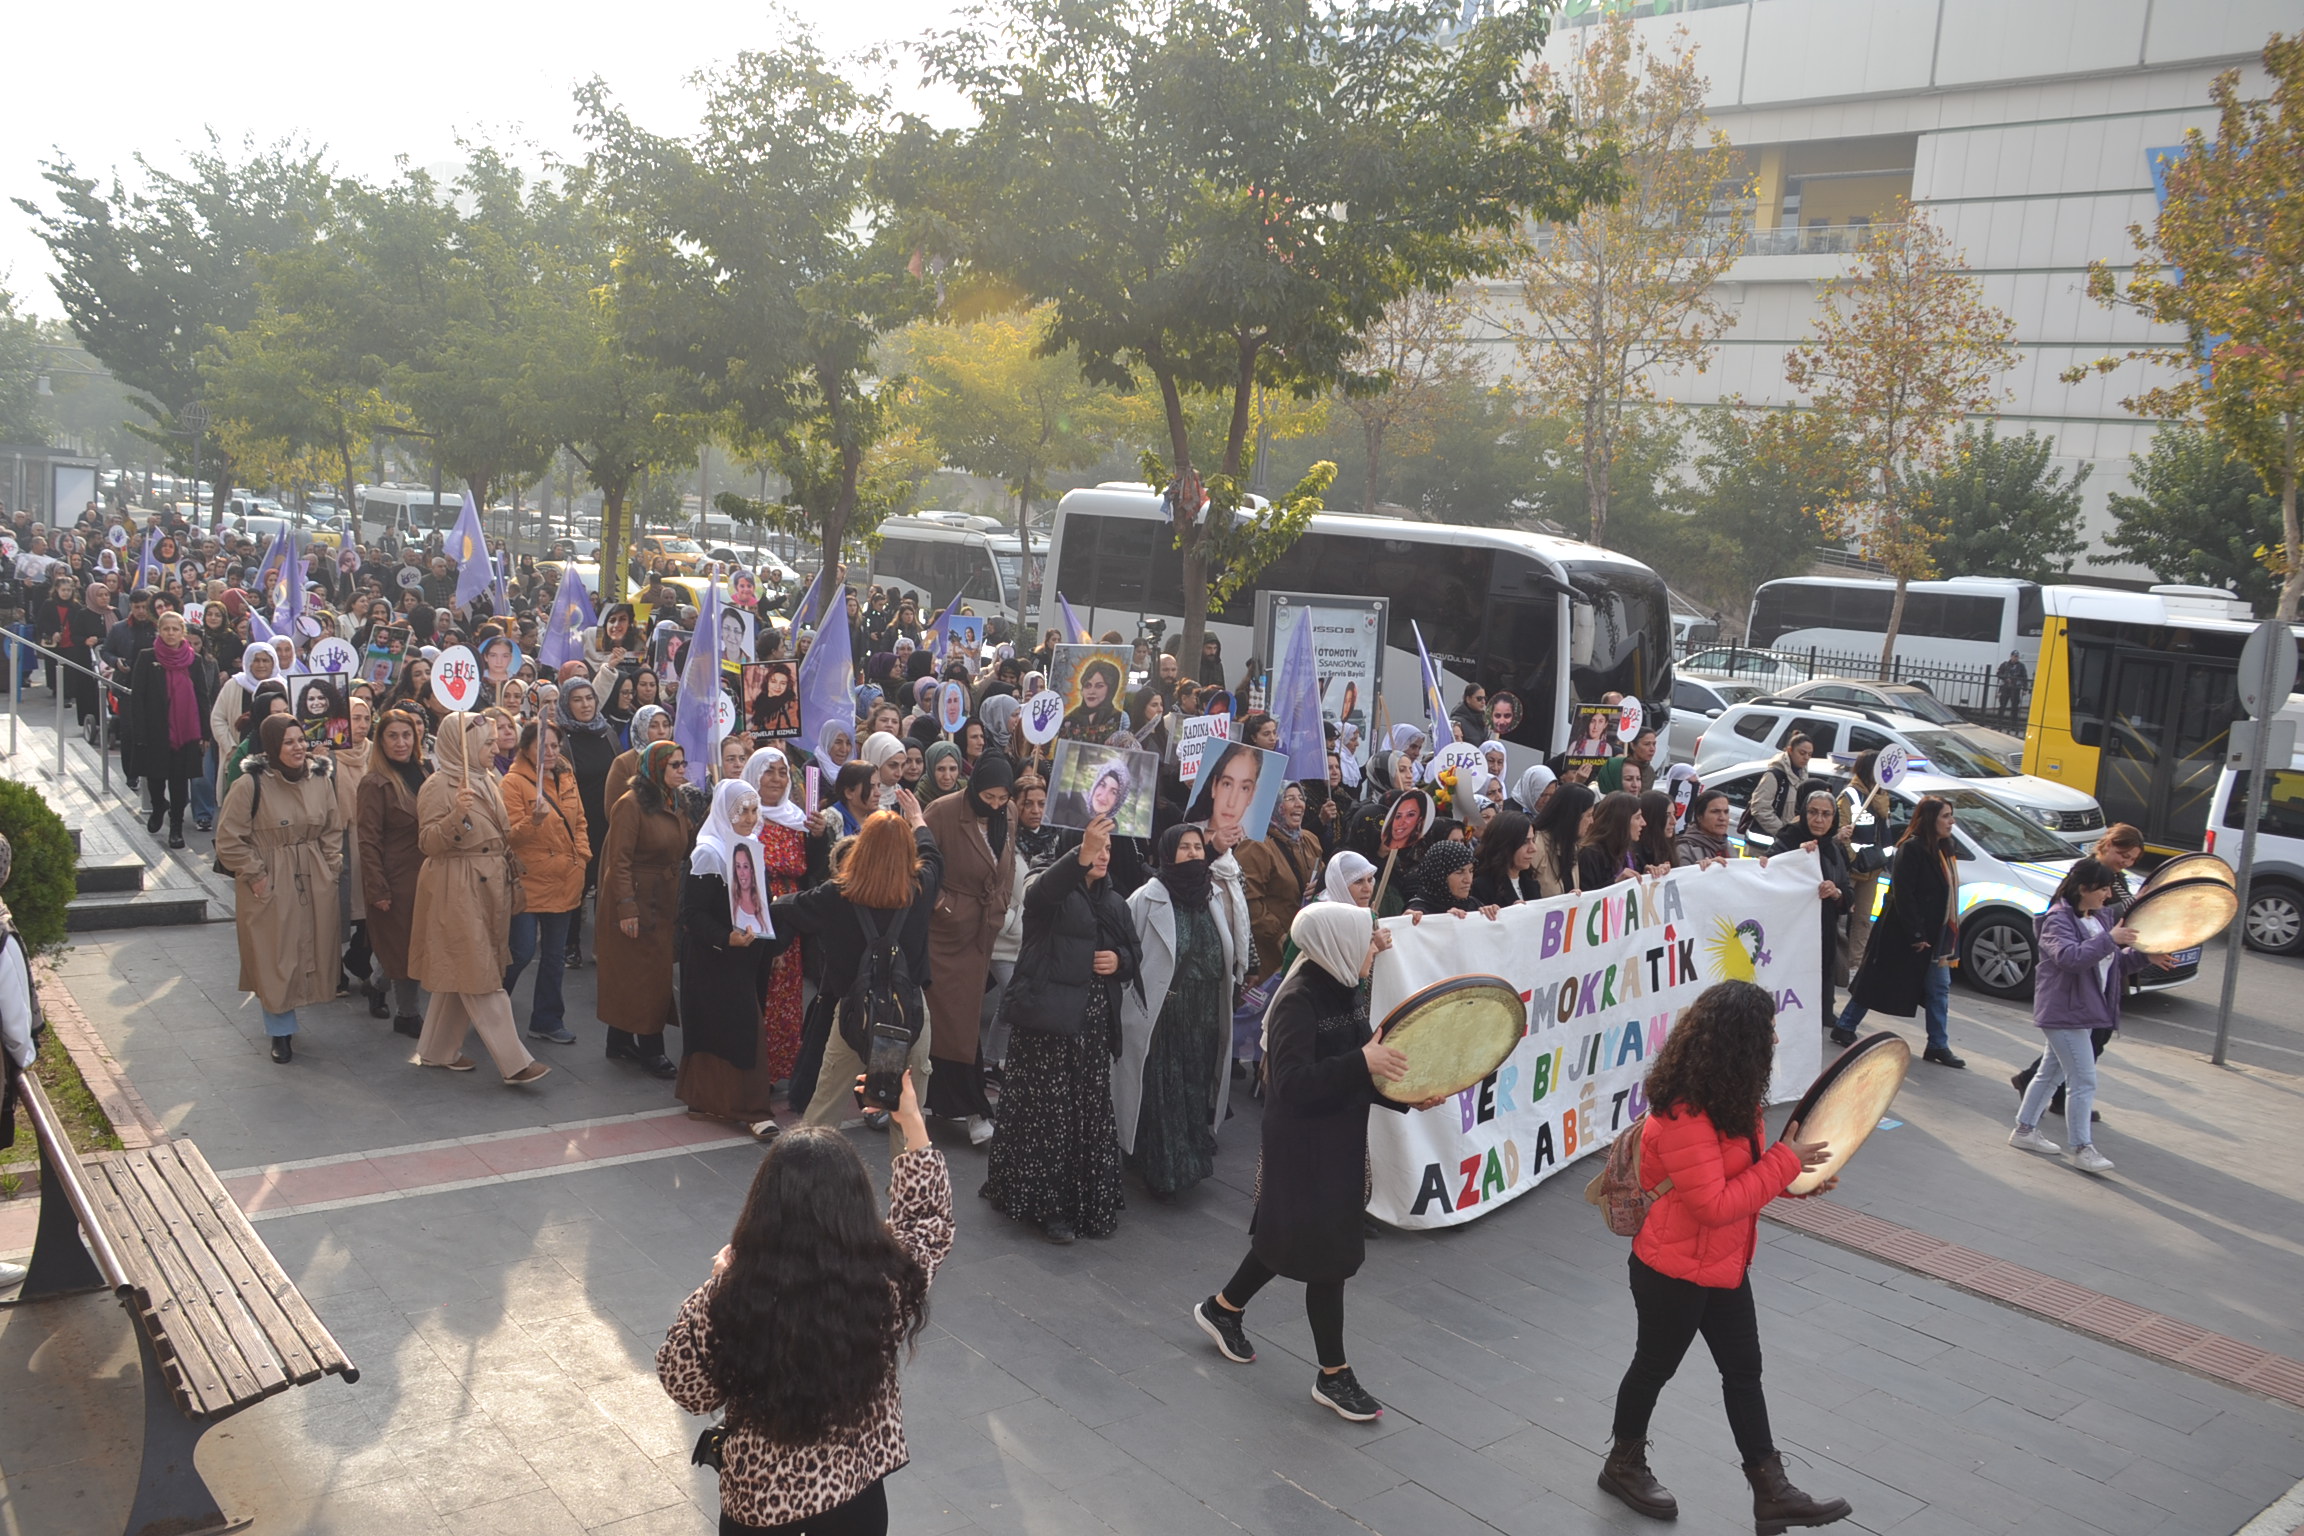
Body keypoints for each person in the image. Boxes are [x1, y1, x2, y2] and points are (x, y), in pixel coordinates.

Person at [1597, 979, 1852, 1532]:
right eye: (1768, 1030)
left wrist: (1797, 1179)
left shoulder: (1734, 1099)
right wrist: (1785, 1164)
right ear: (1740, 1040)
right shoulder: (1685, 1113)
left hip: (1724, 1265)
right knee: (1654, 1366)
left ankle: (1771, 1490)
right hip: (1671, 1269)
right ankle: (1622, 1464)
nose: (1776, 1038)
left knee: (1744, 1372)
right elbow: (1713, 1204)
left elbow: (1746, 1174)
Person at [656, 1069, 952, 1536]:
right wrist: (909, 1117)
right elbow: (927, 1221)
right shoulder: (881, 1283)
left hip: (761, 1503)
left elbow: (687, 1390)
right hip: (856, 1496)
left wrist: (716, 1283)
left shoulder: (729, 1298)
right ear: (854, 1206)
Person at [1190, 904, 1446, 1422]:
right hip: (1303, 1147)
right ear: (1337, 942)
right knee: (1328, 1259)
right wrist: (1362, 1062)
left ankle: (1222, 1309)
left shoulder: (1345, 988)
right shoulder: (1297, 1000)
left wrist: (1406, 1096)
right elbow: (1290, 1084)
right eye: (1365, 937)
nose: (1373, 946)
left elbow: (1362, 1066)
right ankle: (1334, 1375)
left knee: (1286, 1236)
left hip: (1338, 1140)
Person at [982, 814, 1137, 1243]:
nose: (1102, 855)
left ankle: (1082, 1199)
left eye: (1108, 848)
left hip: (1091, 1025)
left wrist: (1119, 962)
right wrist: (1079, 854)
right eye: (1094, 846)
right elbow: (1042, 895)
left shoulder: (1114, 900)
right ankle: (1045, 1207)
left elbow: (1132, 951)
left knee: (1084, 1112)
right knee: (1047, 1114)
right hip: (1048, 1021)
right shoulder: (1044, 885)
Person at [767, 796, 943, 1156]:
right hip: (909, 1015)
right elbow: (934, 857)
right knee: (908, 1118)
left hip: (852, 1014)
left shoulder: (837, 895)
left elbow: (787, 907)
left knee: (825, 1107)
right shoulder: (922, 889)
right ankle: (906, 1200)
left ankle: (805, 1183)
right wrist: (917, 819)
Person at [411, 714, 549, 1086]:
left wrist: (531, 823)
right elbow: (427, 843)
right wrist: (456, 816)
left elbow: (499, 837)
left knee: (465, 968)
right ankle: (515, 1062)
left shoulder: (487, 779)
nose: (495, 748)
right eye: (487, 743)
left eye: (493, 742)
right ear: (466, 746)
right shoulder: (439, 786)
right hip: (455, 886)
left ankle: (437, 1050)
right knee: (481, 972)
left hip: (489, 885)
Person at [2010, 858, 2170, 1174]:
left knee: (2051, 1072)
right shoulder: (2058, 920)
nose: (2108, 895)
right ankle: (2082, 1148)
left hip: (2078, 1011)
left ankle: (2025, 1131)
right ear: (2084, 889)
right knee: (2083, 1080)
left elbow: (2113, 966)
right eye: (2103, 888)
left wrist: (2145, 957)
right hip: (2063, 1011)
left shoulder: (2096, 919)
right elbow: (2070, 958)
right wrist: (2111, 939)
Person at [1116, 826, 1241, 1200]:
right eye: (1183, 848)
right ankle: (1164, 1170)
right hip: (1163, 1014)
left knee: (1194, 1086)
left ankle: (1192, 1157)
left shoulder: (1213, 895)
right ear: (1167, 854)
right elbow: (1128, 954)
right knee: (1163, 1090)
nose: (1192, 853)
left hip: (1204, 1013)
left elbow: (1233, 942)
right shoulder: (1144, 899)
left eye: (1197, 847)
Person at [214, 715, 343, 1063]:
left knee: (309, 950)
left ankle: (295, 1015)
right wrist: (256, 875)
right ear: (272, 747)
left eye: (301, 739)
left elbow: (333, 827)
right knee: (274, 955)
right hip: (270, 878)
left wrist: (331, 867)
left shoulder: (320, 778)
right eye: (288, 742)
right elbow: (228, 839)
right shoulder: (249, 785)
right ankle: (280, 1031)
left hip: (313, 875)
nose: (298, 747)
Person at [2011, 822, 2145, 1121]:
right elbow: (2065, 943)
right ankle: (2075, 1135)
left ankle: (2031, 1120)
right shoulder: (2087, 878)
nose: (2127, 862)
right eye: (2123, 854)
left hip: (2102, 970)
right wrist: (2110, 938)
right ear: (2107, 844)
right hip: (2080, 983)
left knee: (2066, 1058)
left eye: (2133, 858)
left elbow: (2120, 918)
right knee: (2081, 1065)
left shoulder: (2116, 879)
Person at [921, 755, 1018, 1143]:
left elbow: (1006, 863)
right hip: (942, 935)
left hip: (983, 929)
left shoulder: (1007, 812)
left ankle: (947, 1101)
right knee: (947, 1021)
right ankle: (969, 1105)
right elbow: (919, 863)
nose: (993, 803)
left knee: (963, 1018)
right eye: (988, 795)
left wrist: (1002, 902)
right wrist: (945, 905)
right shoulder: (942, 811)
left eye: (1001, 796)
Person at [678, 780, 780, 1139]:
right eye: (743, 811)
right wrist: (725, 938)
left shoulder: (750, 847)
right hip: (713, 957)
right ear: (725, 812)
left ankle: (708, 1098)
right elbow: (691, 913)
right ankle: (753, 1110)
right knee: (741, 1027)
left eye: (754, 810)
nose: (750, 818)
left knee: (731, 1026)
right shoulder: (708, 852)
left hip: (746, 954)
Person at [1832, 796, 1964, 1066]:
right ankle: (1844, 1025)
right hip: (1902, 933)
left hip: (1936, 936)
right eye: (1945, 816)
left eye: (1951, 816)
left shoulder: (1946, 849)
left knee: (1940, 988)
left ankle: (1937, 1044)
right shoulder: (1912, 849)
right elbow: (1904, 895)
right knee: (1875, 981)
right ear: (1930, 819)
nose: (1951, 821)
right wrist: (1916, 934)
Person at [596, 739, 695, 1079]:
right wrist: (626, 908)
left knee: (641, 974)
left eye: (684, 764)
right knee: (646, 976)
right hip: (638, 898)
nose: (683, 770)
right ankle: (652, 1049)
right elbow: (617, 861)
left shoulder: (676, 800)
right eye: (675, 765)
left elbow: (687, 845)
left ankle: (619, 1040)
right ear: (656, 768)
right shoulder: (631, 804)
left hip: (663, 899)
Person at [740, 746, 822, 1089]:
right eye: (768, 771)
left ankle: (781, 1065)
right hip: (751, 914)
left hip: (790, 918)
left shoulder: (800, 820)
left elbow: (813, 871)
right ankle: (755, 1066)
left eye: (783, 772)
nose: (776, 779)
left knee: (785, 995)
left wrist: (819, 837)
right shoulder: (744, 817)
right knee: (757, 992)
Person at [502, 719, 588, 1045]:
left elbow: (579, 820)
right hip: (529, 880)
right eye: (543, 746)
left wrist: (582, 855)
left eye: (555, 745)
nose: (550, 752)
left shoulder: (566, 776)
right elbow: (508, 836)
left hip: (564, 876)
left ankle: (547, 1020)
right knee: (521, 952)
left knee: (554, 955)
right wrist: (531, 821)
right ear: (526, 749)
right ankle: (491, 1006)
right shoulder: (512, 784)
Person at [359, 708, 430, 1037]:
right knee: (403, 947)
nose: (401, 742)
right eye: (392, 736)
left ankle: (376, 982)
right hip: (396, 878)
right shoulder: (374, 783)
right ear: (380, 740)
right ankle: (407, 1014)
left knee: (410, 945)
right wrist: (378, 889)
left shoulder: (425, 770)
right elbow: (368, 841)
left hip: (428, 874)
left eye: (407, 735)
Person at [127, 610, 217, 849]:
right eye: (166, 629)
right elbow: (138, 698)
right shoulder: (147, 658)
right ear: (159, 631)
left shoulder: (194, 660)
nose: (170, 633)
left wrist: (205, 733)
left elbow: (202, 697)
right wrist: (140, 733)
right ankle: (159, 806)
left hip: (186, 732)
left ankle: (176, 828)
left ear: (182, 633)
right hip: (156, 729)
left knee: (179, 782)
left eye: (175, 629)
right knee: (156, 778)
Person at [555, 678, 618, 971]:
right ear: (567, 704)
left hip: (608, 822)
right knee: (577, 886)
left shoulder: (607, 734)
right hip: (577, 824)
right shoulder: (562, 739)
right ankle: (570, 945)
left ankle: (602, 945)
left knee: (606, 886)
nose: (585, 705)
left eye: (589, 698)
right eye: (577, 700)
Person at [1234, 784, 1322, 985]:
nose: (1299, 803)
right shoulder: (1256, 845)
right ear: (1273, 805)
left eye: (1301, 797)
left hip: (1302, 942)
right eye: (1289, 798)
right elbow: (1248, 900)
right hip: (1270, 949)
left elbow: (1323, 876)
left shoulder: (1309, 840)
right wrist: (1279, 936)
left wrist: (1320, 884)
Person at [1777, 788, 1853, 1018]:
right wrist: (1796, 860)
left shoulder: (1833, 848)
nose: (1819, 820)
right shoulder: (1787, 840)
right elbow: (1770, 877)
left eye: (1826, 814)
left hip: (1823, 935)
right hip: (1790, 938)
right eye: (1812, 812)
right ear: (1803, 813)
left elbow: (1848, 891)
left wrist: (1836, 892)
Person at [1577, 792, 1660, 891]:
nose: (1644, 823)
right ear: (1622, 821)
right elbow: (1586, 898)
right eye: (1638, 817)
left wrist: (1647, 874)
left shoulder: (1628, 851)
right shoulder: (1590, 854)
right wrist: (1616, 883)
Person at [1745, 734, 1813, 842]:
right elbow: (1760, 807)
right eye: (1802, 753)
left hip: (1785, 843)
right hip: (1765, 843)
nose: (1806, 758)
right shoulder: (1774, 775)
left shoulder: (1803, 776)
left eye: (1809, 754)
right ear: (1790, 750)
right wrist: (1783, 832)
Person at [1470, 810, 1544, 906]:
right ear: (1505, 844)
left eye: (1533, 840)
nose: (1533, 848)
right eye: (1525, 842)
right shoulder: (1481, 887)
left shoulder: (1531, 883)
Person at [1059, 657, 1126, 743]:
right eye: (1087, 685)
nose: (1091, 692)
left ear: (1111, 689)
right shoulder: (1070, 720)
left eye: (1099, 686)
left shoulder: (1118, 718)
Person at [1673, 789, 1736, 868]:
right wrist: (1700, 870)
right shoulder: (1684, 849)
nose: (1722, 818)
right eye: (1715, 811)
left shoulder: (1728, 845)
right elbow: (1682, 878)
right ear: (1699, 816)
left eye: (1726, 812)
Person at [1997, 649, 2030, 726]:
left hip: (2015, 689)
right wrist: (2005, 678)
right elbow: (1999, 673)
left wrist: (2025, 688)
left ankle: (2013, 724)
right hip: (2005, 688)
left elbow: (2024, 677)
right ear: (2011, 656)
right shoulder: (2005, 664)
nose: (2016, 658)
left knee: (2015, 707)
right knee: (2002, 705)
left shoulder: (2021, 666)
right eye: (2014, 657)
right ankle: (1999, 722)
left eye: (2017, 657)